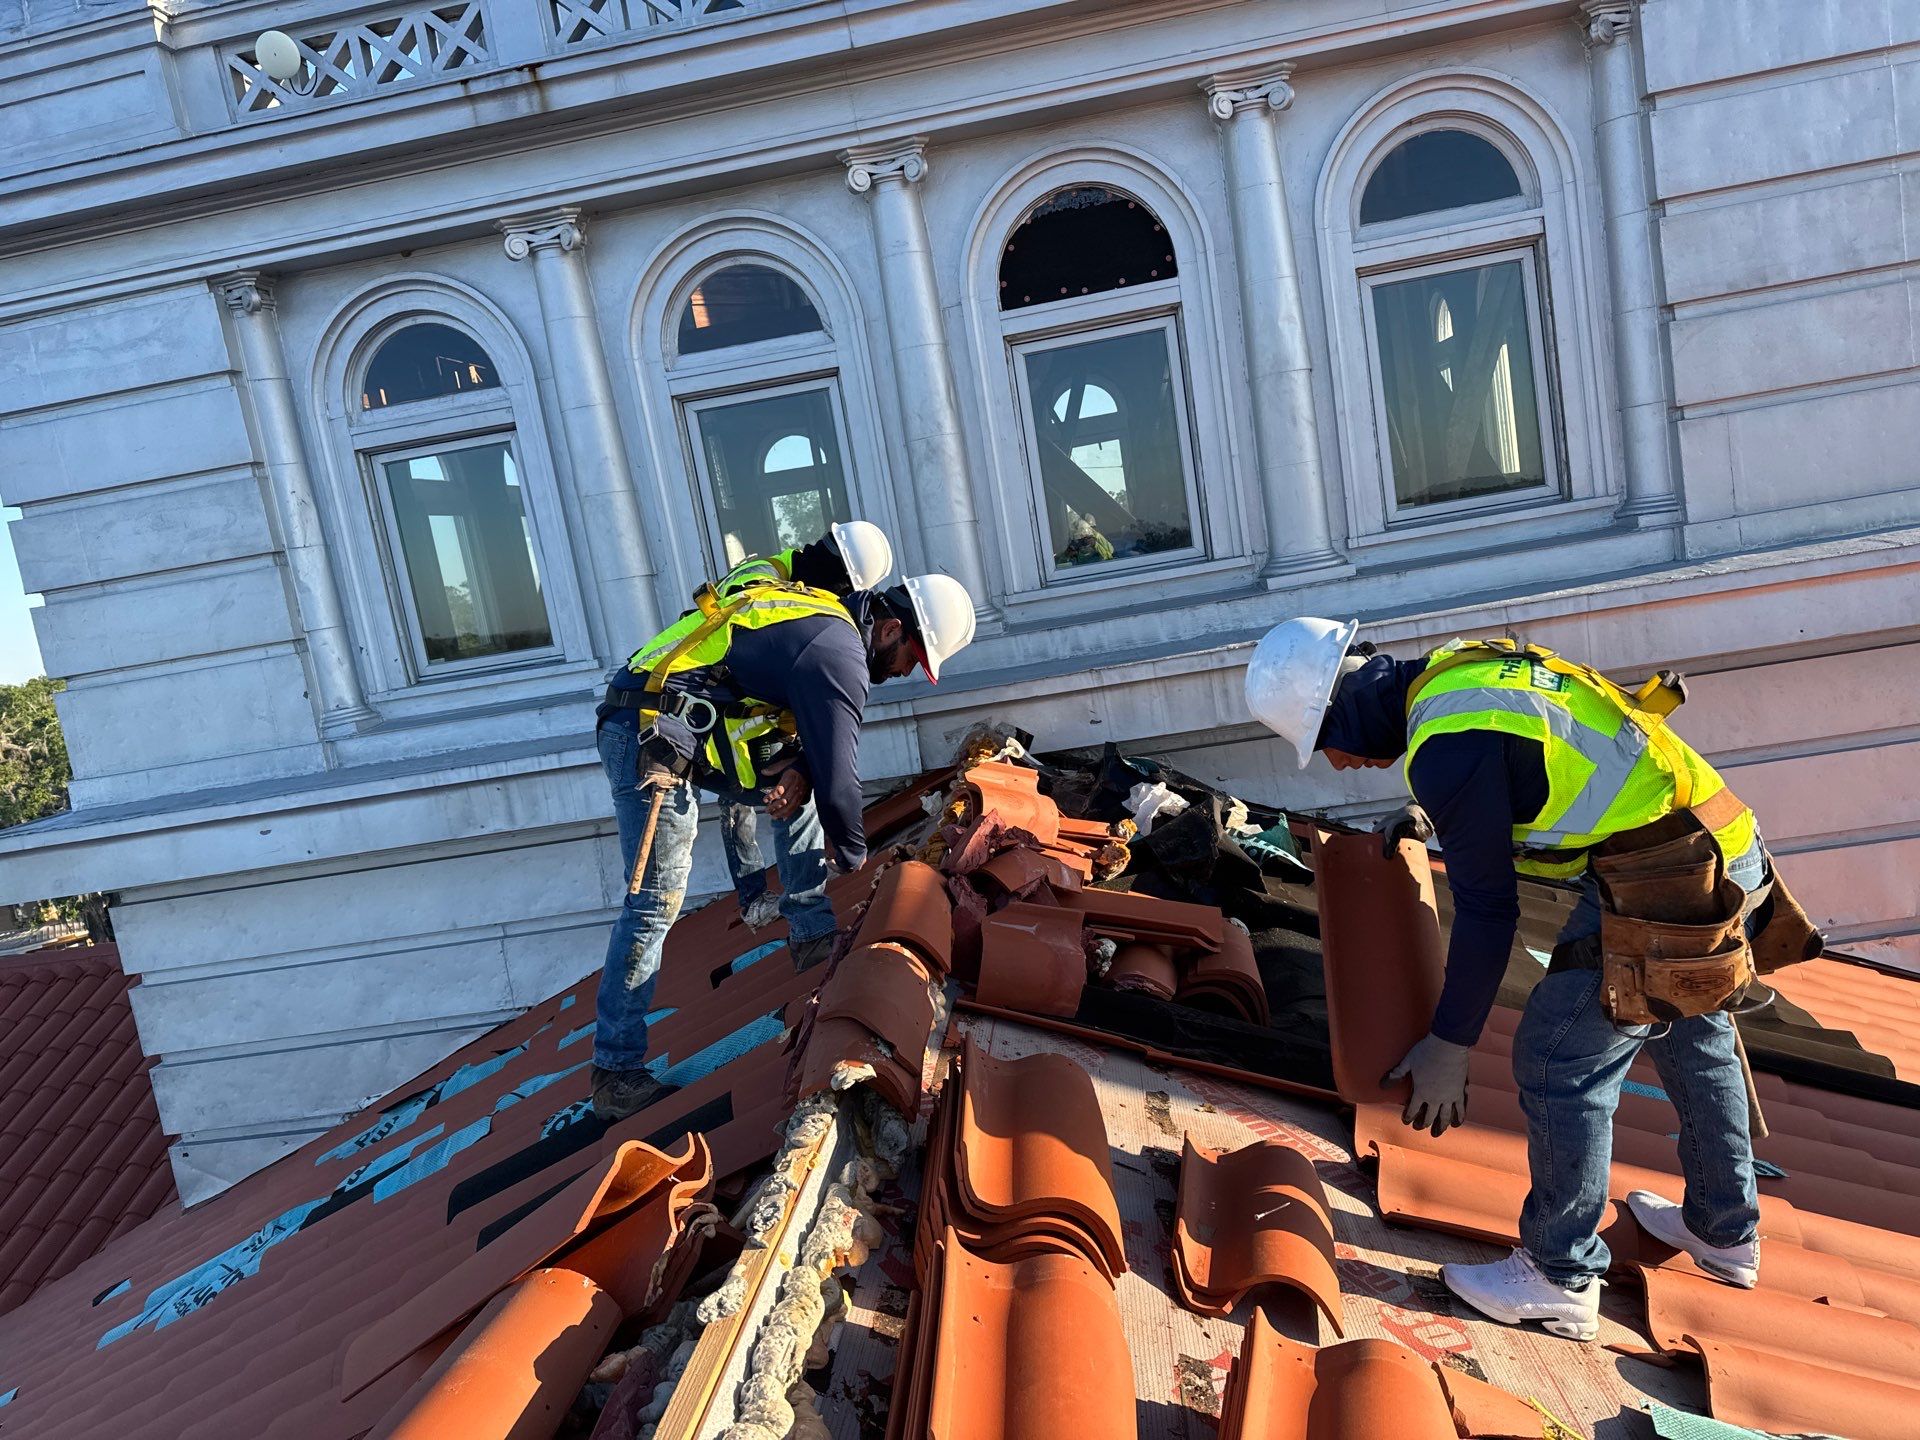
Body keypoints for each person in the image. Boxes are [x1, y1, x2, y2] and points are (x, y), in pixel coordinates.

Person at [1244, 618, 1820, 1343]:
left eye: (1322, 740)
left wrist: (1449, 1045)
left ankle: (1560, 1276)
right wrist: (1445, 816)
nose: (1334, 762)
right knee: (1692, 1030)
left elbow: (1489, 912)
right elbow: (1537, 761)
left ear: (1339, 706)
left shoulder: (1446, 743)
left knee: (1557, 1054)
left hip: (1666, 874)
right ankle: (1725, 1231)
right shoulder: (1458, 673)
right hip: (1718, 844)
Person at [589, 567, 976, 1121]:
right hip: (646, 731)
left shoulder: (826, 621)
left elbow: (798, 736)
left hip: (690, 726)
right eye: (912, 657)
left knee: (802, 785)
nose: (906, 671)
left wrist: (794, 766)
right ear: (890, 629)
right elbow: (843, 775)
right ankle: (615, 1071)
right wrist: (857, 861)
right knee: (655, 900)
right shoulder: (839, 651)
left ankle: (811, 932)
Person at [706, 521, 896, 933]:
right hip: (732, 705)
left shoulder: (775, 568)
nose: (845, 600)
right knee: (787, 790)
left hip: (734, 693)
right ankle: (800, 915)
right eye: (847, 590)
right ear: (843, 578)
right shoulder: (800, 595)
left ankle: (756, 895)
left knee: (772, 785)